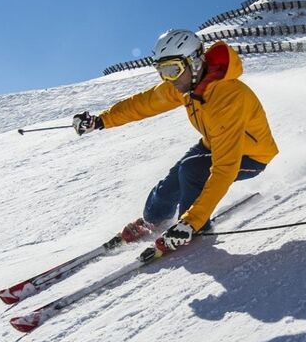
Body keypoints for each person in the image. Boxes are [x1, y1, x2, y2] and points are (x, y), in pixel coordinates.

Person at [73, 29, 278, 259]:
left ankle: (194, 227)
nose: (168, 79)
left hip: (251, 155)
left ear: (195, 61)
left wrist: (192, 222)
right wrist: (101, 120)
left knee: (191, 171)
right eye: (162, 72)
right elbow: (144, 103)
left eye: (172, 70)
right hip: (211, 144)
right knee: (168, 186)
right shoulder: (187, 84)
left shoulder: (229, 97)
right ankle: (153, 219)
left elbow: (224, 169)